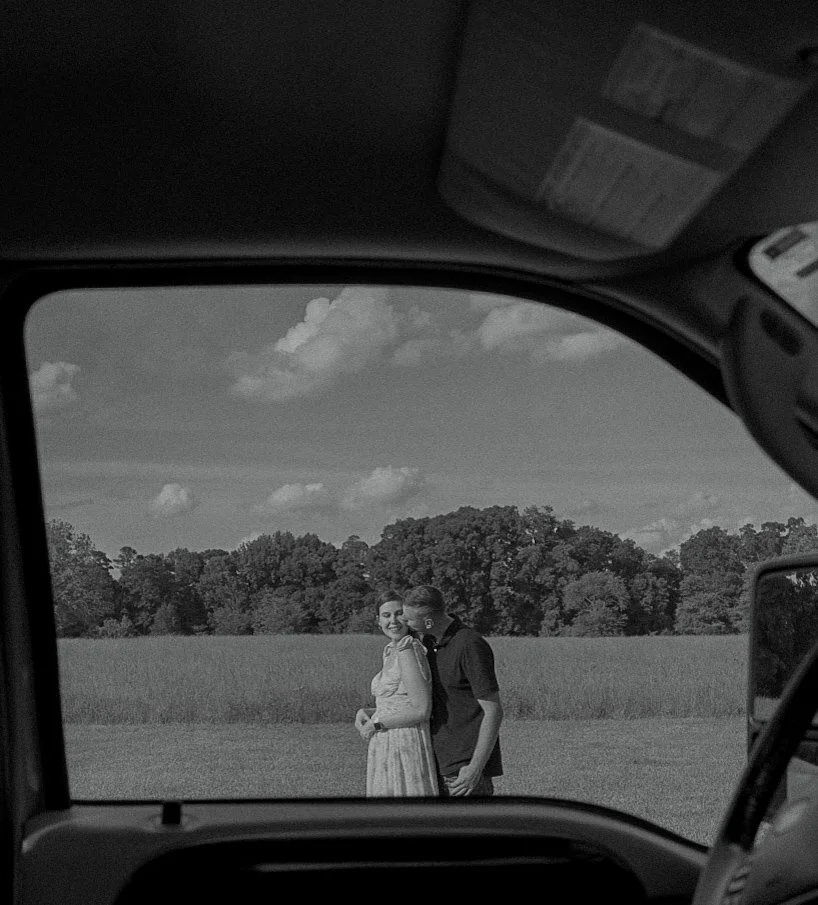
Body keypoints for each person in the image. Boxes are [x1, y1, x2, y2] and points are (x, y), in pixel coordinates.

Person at [401, 585, 503, 797]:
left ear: (428, 622)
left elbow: (493, 711)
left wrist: (475, 768)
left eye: (408, 619)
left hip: (463, 770)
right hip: (435, 762)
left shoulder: (470, 645)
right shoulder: (428, 642)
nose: (404, 622)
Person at [354, 590, 439, 797]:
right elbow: (400, 701)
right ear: (378, 621)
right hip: (387, 741)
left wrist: (376, 724)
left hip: (403, 742)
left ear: (408, 617)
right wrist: (368, 712)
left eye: (399, 614)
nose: (393, 621)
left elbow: (421, 710)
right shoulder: (391, 650)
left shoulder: (408, 649)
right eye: (386, 615)